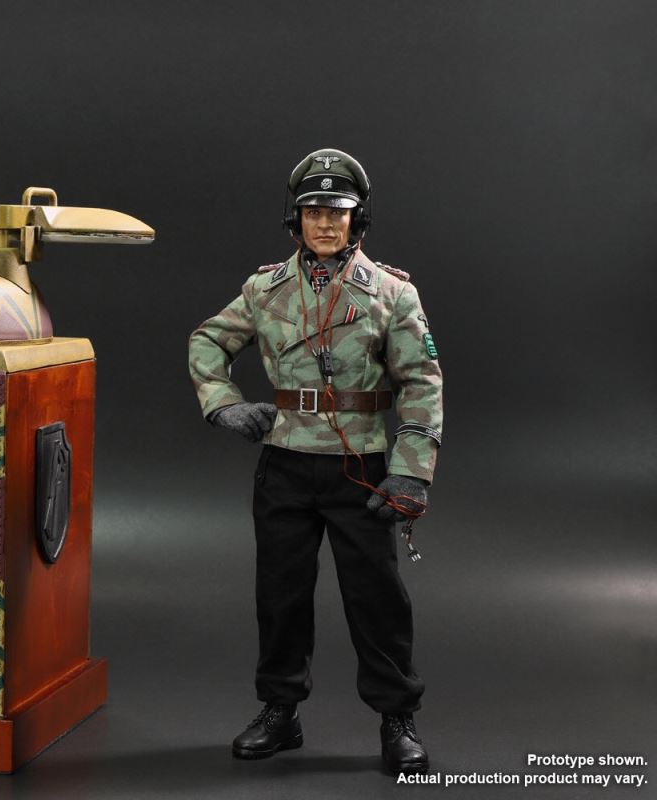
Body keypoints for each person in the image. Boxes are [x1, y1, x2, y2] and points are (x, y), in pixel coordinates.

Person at [187, 148, 442, 776]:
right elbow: (209, 340)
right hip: (285, 461)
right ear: (295, 219)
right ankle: (280, 709)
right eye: (313, 211)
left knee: (377, 599)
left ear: (358, 219)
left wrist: (411, 471)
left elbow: (421, 381)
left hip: (361, 466)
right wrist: (222, 403)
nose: (325, 223)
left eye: (338, 211)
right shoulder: (265, 289)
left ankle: (397, 717)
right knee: (280, 596)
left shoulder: (391, 293)